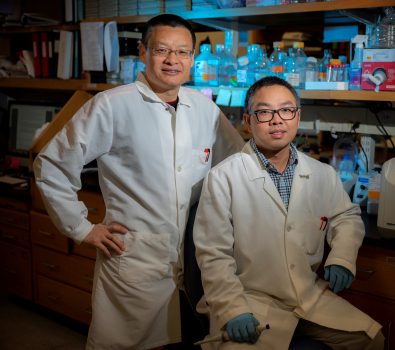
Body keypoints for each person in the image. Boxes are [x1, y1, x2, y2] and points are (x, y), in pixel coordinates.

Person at [33, 14, 244, 350]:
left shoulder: (205, 109)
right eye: (162, 50)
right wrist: (82, 227)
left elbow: (239, 164)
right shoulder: (112, 105)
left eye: (183, 52)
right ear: (144, 52)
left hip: (194, 263)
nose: (172, 60)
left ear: (193, 59)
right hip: (134, 261)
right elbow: (52, 164)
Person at [193, 76, 384, 350]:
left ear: (297, 116)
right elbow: (213, 254)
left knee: (372, 340)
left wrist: (342, 257)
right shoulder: (224, 177)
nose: (276, 120)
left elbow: (346, 216)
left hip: (309, 296)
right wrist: (232, 308)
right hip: (250, 301)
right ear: (248, 121)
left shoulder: (322, 174)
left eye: (286, 110)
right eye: (264, 112)